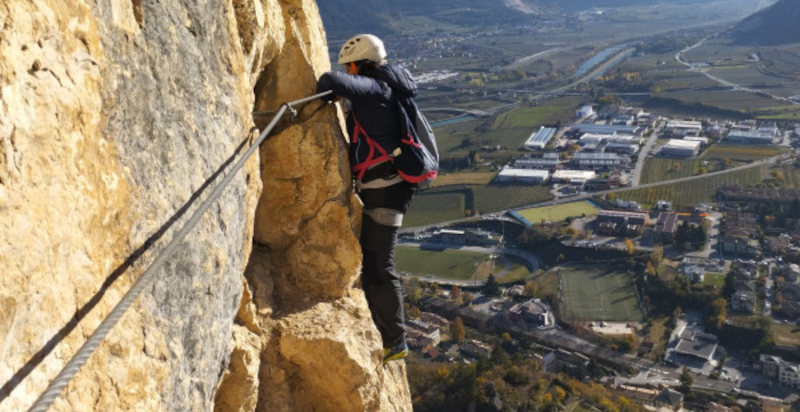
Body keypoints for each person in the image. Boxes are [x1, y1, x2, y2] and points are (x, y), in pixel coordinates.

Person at [316, 34, 417, 363]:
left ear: (360, 64)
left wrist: (330, 89)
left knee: (379, 264)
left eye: (351, 66)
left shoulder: (377, 89)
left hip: (385, 190)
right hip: (387, 187)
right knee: (375, 261)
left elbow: (330, 80)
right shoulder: (386, 87)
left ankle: (395, 340)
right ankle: (391, 333)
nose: (348, 71)